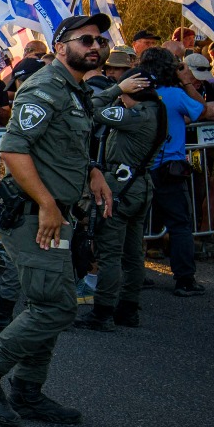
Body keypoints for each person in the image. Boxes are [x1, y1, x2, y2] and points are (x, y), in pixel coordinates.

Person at [0, 14, 115, 427]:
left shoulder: (74, 90)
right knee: (57, 306)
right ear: (61, 47)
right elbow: (12, 149)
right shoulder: (45, 87)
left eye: (100, 40)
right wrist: (46, 203)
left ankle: (27, 391)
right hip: (32, 216)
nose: (95, 46)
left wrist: (93, 171)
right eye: (85, 40)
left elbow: (68, 145)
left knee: (49, 303)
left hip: (56, 215)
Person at [139, 47, 214, 296]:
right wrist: (187, 83)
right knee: (180, 224)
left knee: (135, 223)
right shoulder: (174, 95)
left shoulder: (136, 92)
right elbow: (206, 111)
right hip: (169, 167)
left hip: (140, 167)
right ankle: (185, 279)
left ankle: (134, 274)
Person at [74, 69, 159, 330]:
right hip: (141, 185)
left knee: (109, 252)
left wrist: (115, 90)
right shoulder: (157, 110)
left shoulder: (135, 114)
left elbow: (89, 110)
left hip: (122, 188)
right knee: (134, 253)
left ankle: (103, 312)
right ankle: (128, 309)